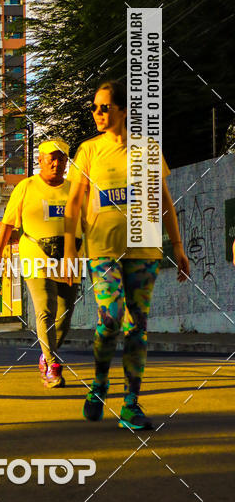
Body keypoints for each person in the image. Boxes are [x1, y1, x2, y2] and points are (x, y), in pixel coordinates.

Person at [63, 79, 190, 430]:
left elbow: (164, 201)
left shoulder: (147, 149)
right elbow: (73, 203)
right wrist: (70, 248)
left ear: (122, 110)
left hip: (145, 250)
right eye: (94, 107)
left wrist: (178, 246)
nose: (97, 113)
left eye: (104, 107)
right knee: (111, 319)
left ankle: (131, 404)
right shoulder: (89, 151)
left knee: (138, 327)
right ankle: (99, 382)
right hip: (102, 250)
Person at [0, 139, 83, 388]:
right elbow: (7, 225)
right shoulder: (26, 187)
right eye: (51, 158)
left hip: (70, 257)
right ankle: (52, 365)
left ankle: (45, 354)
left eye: (61, 158)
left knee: (64, 317)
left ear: (66, 162)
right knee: (45, 310)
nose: (56, 163)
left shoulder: (75, 189)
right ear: (40, 160)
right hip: (35, 255)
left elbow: (89, 224)